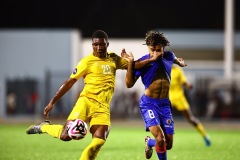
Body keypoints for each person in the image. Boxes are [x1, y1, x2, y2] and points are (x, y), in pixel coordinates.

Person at [26, 30, 158, 160]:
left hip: (102, 108)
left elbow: (134, 65)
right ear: (92, 45)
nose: (99, 47)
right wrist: (52, 102)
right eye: (95, 45)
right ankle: (44, 127)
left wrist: (152, 59)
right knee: (65, 136)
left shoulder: (113, 58)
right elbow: (69, 82)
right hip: (86, 102)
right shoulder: (86, 62)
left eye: (102, 44)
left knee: (98, 142)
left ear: (107, 44)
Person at [124, 31, 187, 160]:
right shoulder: (143, 62)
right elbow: (129, 84)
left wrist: (179, 62)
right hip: (149, 104)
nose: (156, 53)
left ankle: (149, 142)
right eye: (153, 50)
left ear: (163, 47)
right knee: (160, 138)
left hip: (164, 104)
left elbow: (173, 59)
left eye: (159, 50)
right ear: (148, 47)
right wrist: (130, 63)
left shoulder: (168, 56)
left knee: (167, 144)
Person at [169, 64, 211, 146]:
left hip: (179, 97)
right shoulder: (162, 69)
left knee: (191, 118)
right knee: (164, 119)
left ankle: (205, 136)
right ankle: (163, 139)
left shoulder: (177, 70)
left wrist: (188, 85)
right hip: (168, 98)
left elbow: (184, 82)